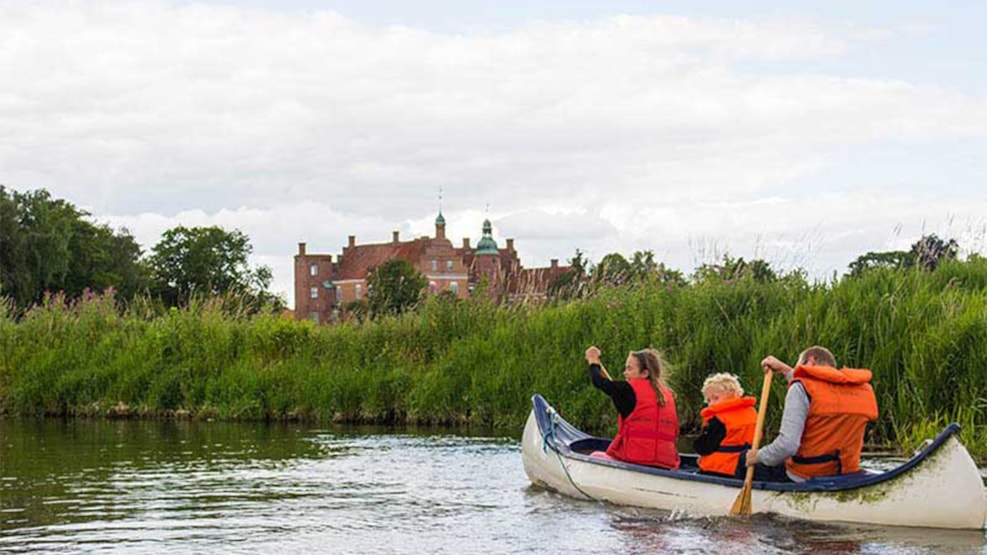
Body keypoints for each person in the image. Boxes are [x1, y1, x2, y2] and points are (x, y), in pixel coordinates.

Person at [745, 346, 878, 482]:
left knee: (743, 464)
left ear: (810, 362)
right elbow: (818, 387)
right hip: (847, 474)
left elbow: (787, 445)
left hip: (804, 475)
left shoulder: (800, 388)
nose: (798, 374)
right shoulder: (863, 390)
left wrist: (758, 456)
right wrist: (784, 369)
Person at [584, 345, 680, 470]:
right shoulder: (666, 394)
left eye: (629, 369)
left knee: (594, 455)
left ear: (645, 373)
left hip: (636, 461)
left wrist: (593, 360)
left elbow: (598, 381)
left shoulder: (627, 390)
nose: (625, 373)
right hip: (666, 463)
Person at [693, 373, 757, 478]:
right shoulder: (752, 413)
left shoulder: (720, 419)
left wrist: (698, 446)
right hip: (745, 468)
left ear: (732, 394)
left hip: (720, 469)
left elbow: (704, 447)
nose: (711, 404)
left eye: (716, 398)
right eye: (708, 400)